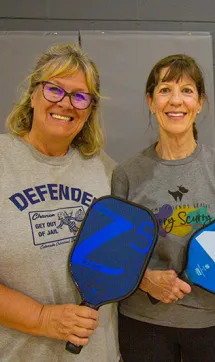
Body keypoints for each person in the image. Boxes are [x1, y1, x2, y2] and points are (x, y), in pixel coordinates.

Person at [112, 54, 215, 362]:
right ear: (150, 100)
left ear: (200, 102)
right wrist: (146, 279)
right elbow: (118, 256)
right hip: (143, 324)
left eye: (187, 90)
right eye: (165, 90)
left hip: (211, 323)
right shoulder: (126, 173)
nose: (176, 100)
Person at [0, 43, 120, 362]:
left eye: (80, 96)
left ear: (90, 108)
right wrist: (43, 318)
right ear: (33, 94)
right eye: (55, 90)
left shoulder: (107, 171)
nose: (66, 104)